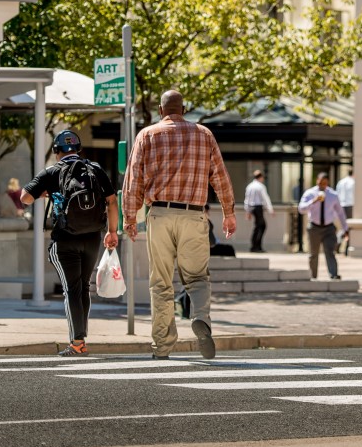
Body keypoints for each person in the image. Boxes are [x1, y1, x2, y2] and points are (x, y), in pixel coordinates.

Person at [123, 90, 236, 360]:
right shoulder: (204, 134)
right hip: (194, 215)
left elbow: (133, 180)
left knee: (160, 283)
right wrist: (228, 212)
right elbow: (220, 176)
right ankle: (200, 317)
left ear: (161, 111)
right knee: (197, 277)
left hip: (159, 215)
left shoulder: (147, 135)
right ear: (183, 109)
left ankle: (161, 347)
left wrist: (129, 217)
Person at [22, 130, 118, 357]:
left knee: (71, 290)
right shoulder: (94, 169)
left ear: (56, 151)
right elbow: (112, 202)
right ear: (79, 148)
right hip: (93, 237)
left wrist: (45, 194)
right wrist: (112, 231)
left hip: (65, 239)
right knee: (83, 287)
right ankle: (80, 339)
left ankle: (77, 342)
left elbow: (25, 198)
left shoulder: (52, 172)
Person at [297, 172, 348, 280]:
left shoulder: (333, 195)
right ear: (317, 181)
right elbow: (301, 209)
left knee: (330, 251)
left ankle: (333, 274)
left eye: (324, 183)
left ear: (327, 183)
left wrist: (345, 228)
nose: (322, 186)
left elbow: (340, 212)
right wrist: (313, 201)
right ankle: (313, 276)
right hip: (314, 227)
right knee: (313, 254)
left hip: (329, 227)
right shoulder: (310, 193)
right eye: (320, 183)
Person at [243, 170, 274, 253]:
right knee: (261, 226)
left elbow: (247, 200)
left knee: (258, 226)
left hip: (253, 208)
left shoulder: (249, 186)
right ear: (260, 177)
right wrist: (270, 209)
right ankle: (256, 246)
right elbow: (265, 198)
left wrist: (248, 211)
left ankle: (255, 245)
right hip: (258, 208)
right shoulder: (260, 186)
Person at [335, 170, 355, 255]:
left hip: (341, 205)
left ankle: (339, 243)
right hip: (350, 205)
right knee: (348, 227)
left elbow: (336, 194)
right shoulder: (353, 182)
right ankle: (344, 245)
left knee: (345, 226)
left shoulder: (341, 182)